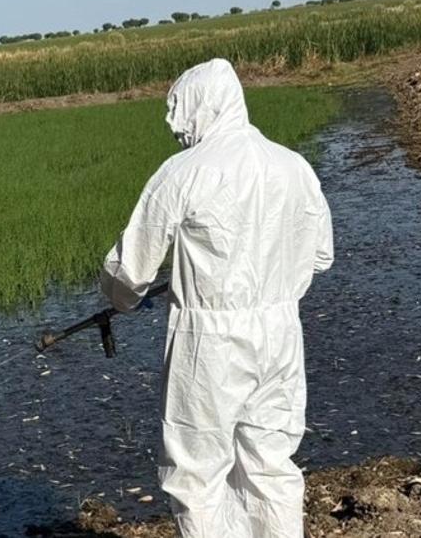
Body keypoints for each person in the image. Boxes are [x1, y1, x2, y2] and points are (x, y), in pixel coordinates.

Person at [99, 58, 333, 537]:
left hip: (209, 342)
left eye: (179, 112)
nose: (176, 127)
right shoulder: (293, 165)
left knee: (196, 477)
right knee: (271, 464)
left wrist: (124, 299)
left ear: (199, 106)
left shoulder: (183, 172)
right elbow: (320, 256)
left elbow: (130, 270)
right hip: (281, 335)